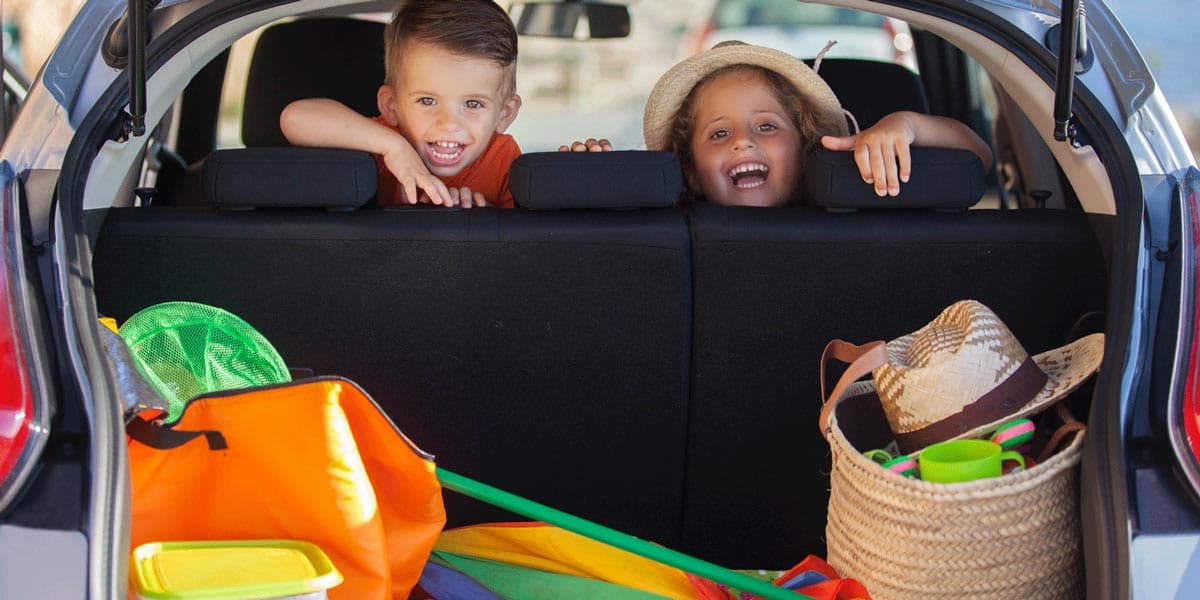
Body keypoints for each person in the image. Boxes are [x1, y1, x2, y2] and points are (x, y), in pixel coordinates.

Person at [563, 41, 992, 207]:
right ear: (689, 169)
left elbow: (979, 158)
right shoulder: (661, 229)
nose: (743, 142)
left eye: (767, 127)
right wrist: (592, 181)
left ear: (807, 149)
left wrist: (906, 125)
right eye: (719, 133)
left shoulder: (855, 206)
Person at [280, 0, 522, 208]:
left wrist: (489, 218)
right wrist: (394, 148)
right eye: (427, 100)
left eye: (473, 103)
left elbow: (530, 243)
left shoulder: (503, 159)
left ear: (505, 114)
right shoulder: (380, 142)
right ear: (391, 106)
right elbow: (294, 117)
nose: (449, 123)